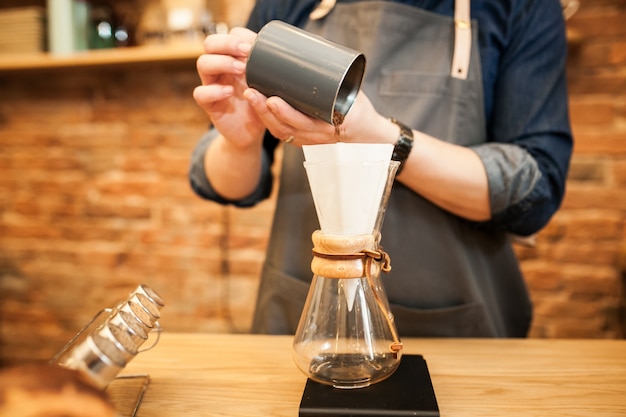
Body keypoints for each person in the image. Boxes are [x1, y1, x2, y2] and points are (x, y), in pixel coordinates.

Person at [189, 0, 573, 337]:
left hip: (461, 334)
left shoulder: (522, 7)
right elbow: (230, 187)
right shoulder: (290, 4)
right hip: (307, 319)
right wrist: (241, 143)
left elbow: (534, 190)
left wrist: (380, 138)